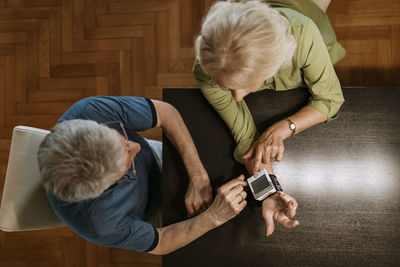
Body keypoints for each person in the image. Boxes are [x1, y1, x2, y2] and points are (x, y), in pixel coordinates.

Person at [37, 96, 299, 254]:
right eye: (127, 159)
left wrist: (197, 174)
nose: (137, 145)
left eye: (122, 139)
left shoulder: (87, 112)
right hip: (155, 212)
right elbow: (161, 242)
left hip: (171, 163)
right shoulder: (98, 223)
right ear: (106, 188)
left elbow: (166, 112)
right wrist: (212, 218)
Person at [193, 0, 346, 175]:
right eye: (227, 87)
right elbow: (245, 136)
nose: (237, 98)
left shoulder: (304, 34)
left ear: (274, 66)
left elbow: (329, 98)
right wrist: (266, 177)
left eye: (247, 86)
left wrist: (283, 129)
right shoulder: (209, 66)